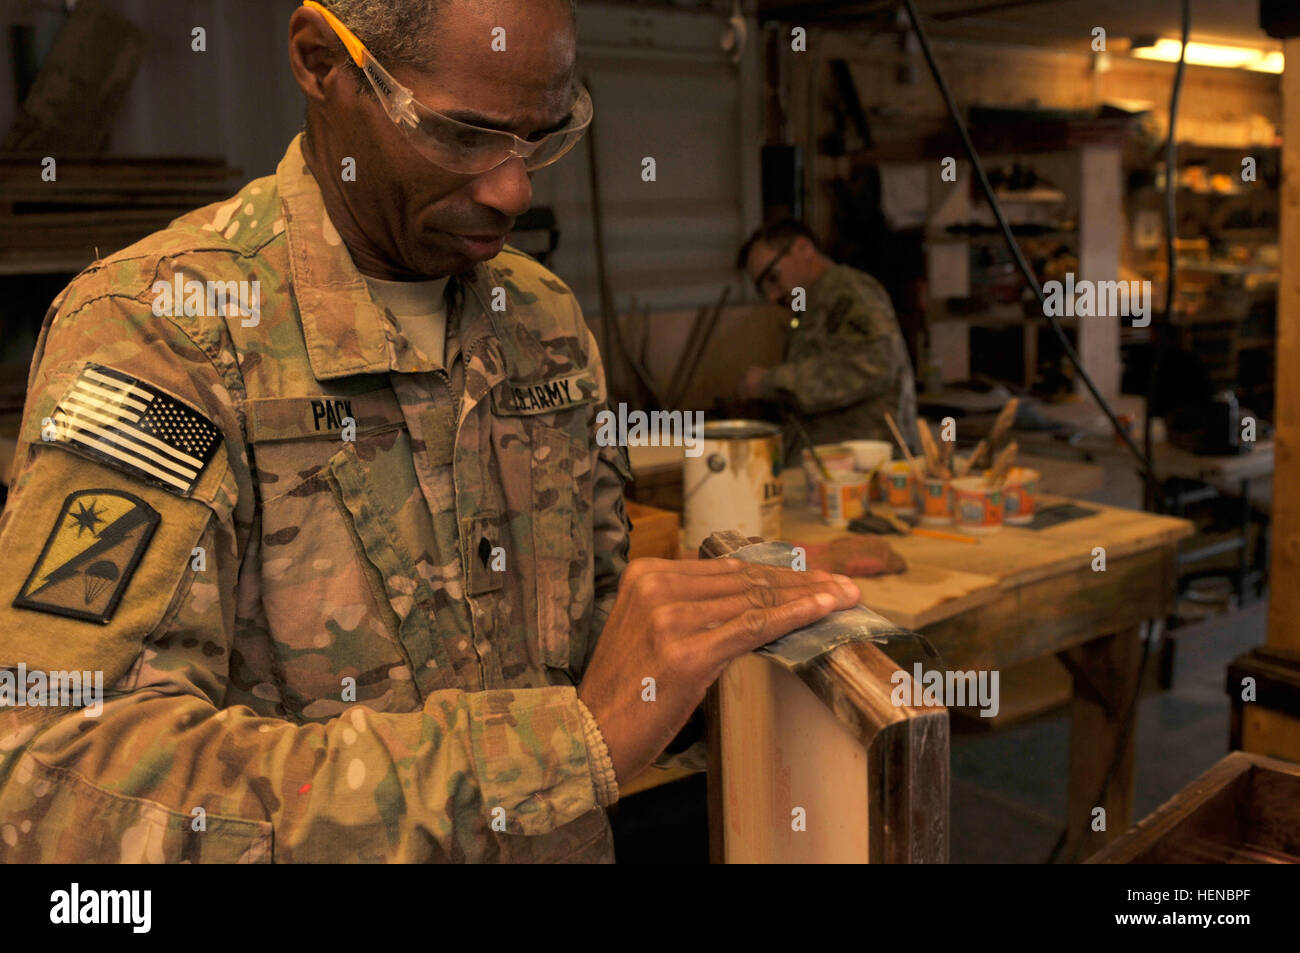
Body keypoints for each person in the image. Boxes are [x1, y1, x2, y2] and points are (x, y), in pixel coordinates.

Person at [0, 0, 859, 862]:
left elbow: (583, 635)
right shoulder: (165, 331)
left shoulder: (541, 319)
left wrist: (724, 637)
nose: (512, 188)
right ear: (319, 63)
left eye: (541, 139)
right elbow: (55, 777)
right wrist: (566, 744)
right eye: (462, 133)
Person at [737, 218, 919, 457]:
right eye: (762, 289)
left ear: (803, 248)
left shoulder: (849, 291)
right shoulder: (813, 306)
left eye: (773, 277)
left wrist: (771, 382)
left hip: (867, 466)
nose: (771, 296)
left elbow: (874, 362)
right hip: (836, 470)